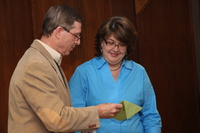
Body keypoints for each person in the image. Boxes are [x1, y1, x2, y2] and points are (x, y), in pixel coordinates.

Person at [8, 5, 123, 133]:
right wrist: (98, 112)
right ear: (58, 32)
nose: (78, 42)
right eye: (76, 36)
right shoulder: (36, 65)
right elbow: (57, 120)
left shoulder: (47, 60)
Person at [69, 16, 162, 133]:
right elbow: (74, 117)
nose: (116, 49)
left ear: (128, 47)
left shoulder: (139, 72)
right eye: (111, 43)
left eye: (122, 44)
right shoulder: (83, 72)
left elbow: (151, 116)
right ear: (102, 42)